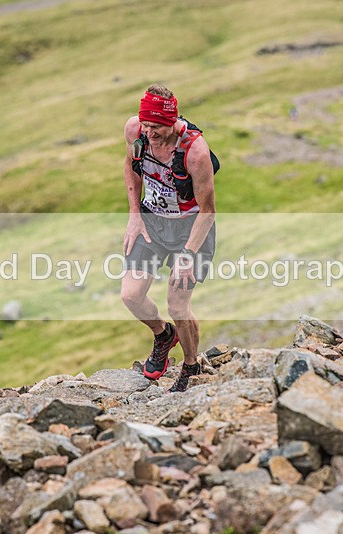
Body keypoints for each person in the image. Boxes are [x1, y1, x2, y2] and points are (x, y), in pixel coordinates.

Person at [121, 84, 217, 393]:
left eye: (157, 127)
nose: (150, 133)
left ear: (172, 121)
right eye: (146, 125)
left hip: (190, 228)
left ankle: (190, 366)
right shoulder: (135, 130)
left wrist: (187, 255)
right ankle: (163, 335)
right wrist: (134, 215)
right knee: (131, 295)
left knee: (177, 305)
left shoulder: (195, 151)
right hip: (152, 221)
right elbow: (130, 166)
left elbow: (208, 212)